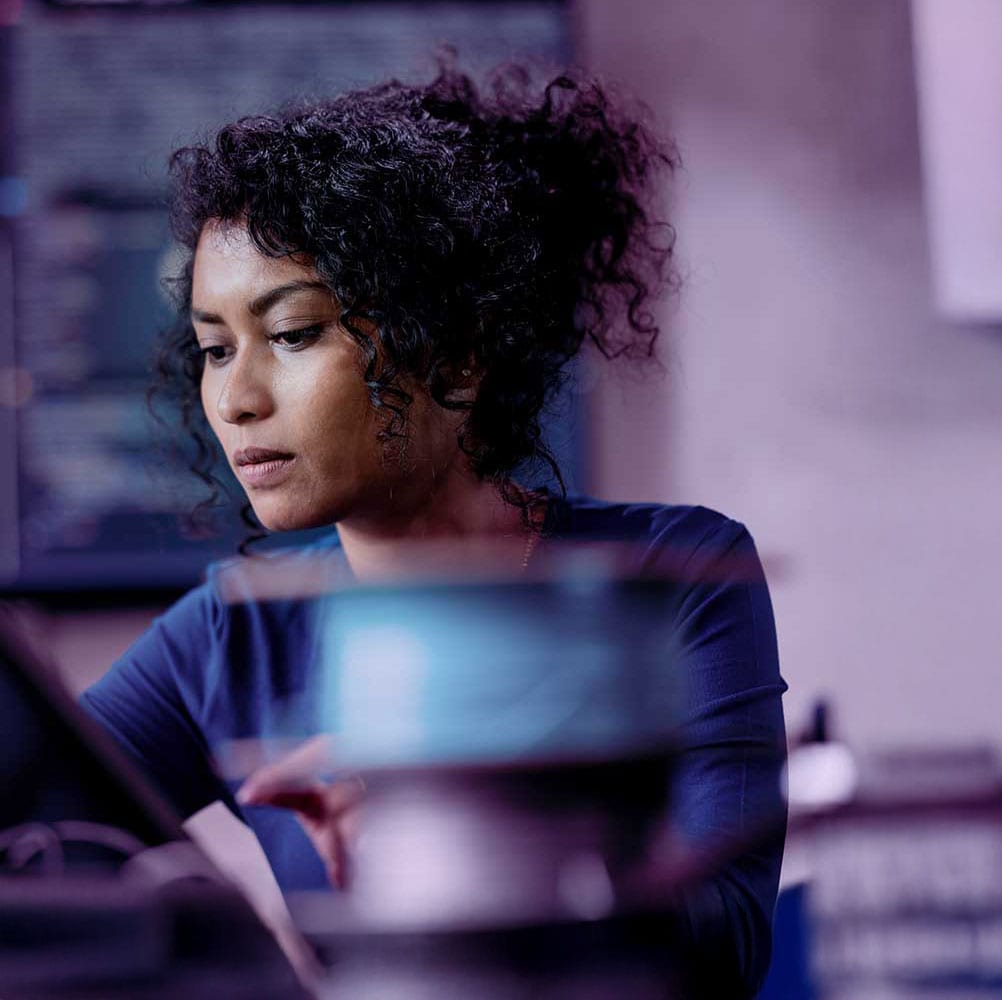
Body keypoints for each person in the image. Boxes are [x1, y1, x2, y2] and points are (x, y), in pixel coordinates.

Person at [78, 61, 787, 998]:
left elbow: (725, 947)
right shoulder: (230, 636)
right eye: (214, 349)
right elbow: (34, 859)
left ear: (456, 354)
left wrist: (452, 841)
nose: (236, 399)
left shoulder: (669, 576)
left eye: (292, 334)